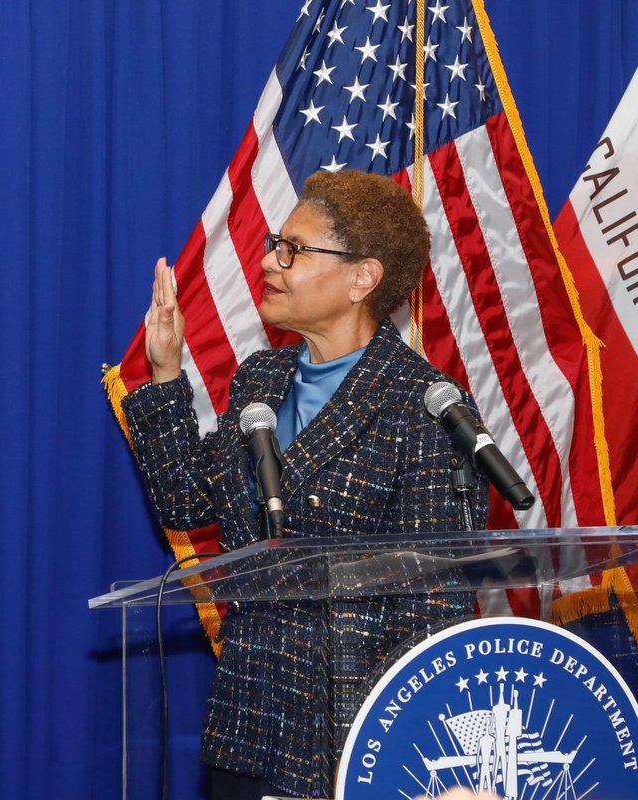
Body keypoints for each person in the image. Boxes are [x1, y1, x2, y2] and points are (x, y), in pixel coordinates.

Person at [123, 169, 489, 799]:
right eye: (275, 244)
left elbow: (434, 607)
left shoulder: (422, 408)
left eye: (293, 250)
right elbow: (185, 497)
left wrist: (409, 752)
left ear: (362, 278)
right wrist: (164, 376)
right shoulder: (259, 381)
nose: (270, 261)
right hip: (245, 725)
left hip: (349, 740)